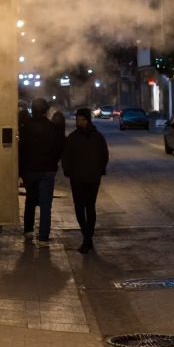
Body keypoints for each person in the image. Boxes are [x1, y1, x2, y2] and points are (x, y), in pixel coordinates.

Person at [61, 106, 109, 253]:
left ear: (87, 120)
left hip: (89, 178)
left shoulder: (96, 137)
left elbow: (104, 156)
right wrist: (69, 171)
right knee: (81, 208)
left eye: (81, 120)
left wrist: (99, 171)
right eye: (77, 119)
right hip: (80, 178)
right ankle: (87, 237)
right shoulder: (74, 137)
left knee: (88, 207)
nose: (78, 122)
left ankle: (87, 239)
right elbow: (66, 157)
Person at [18, 97, 64, 243]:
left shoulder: (25, 129)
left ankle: (28, 231)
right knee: (45, 204)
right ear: (46, 111)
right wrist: (53, 163)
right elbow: (58, 149)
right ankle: (43, 236)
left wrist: (20, 170)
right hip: (47, 170)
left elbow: (21, 150)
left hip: (29, 170)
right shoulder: (52, 128)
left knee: (30, 200)